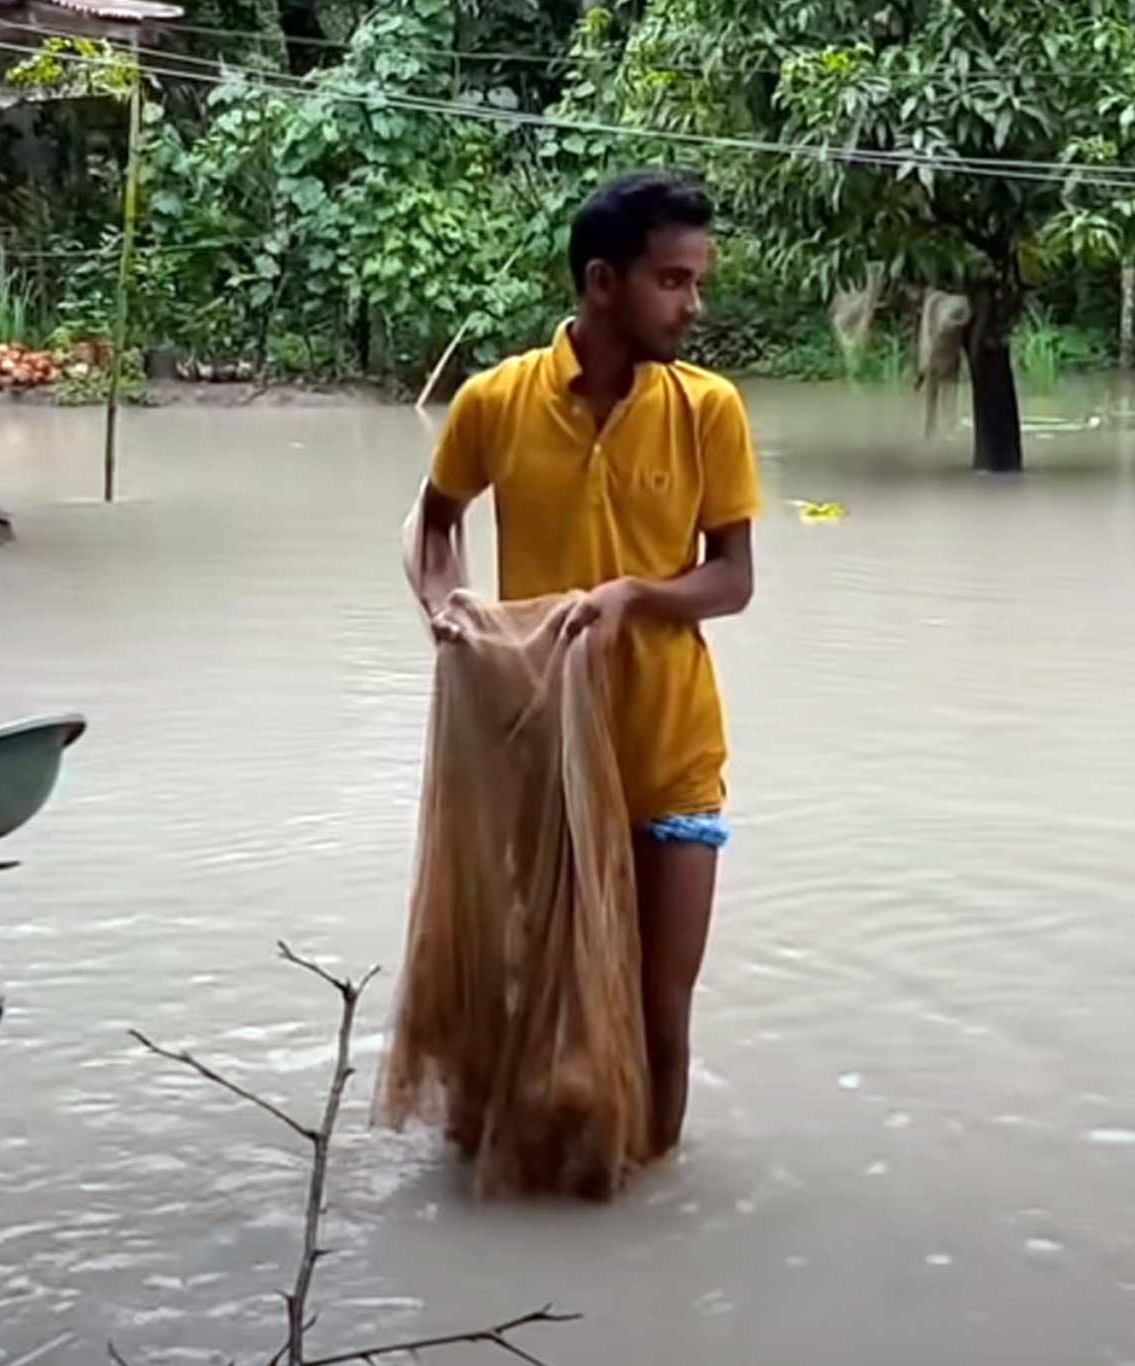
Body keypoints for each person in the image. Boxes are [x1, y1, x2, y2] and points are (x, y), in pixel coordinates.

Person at [405, 168, 759, 1161]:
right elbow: (434, 525)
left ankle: (647, 1206)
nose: (692, 305)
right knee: (521, 995)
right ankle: (524, 1179)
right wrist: (450, 615)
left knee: (660, 1008)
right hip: (535, 746)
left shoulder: (708, 409)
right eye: (673, 281)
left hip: (667, 748)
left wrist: (637, 595)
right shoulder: (496, 401)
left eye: (695, 281)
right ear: (604, 282)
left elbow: (731, 579)